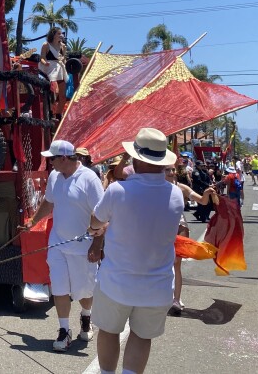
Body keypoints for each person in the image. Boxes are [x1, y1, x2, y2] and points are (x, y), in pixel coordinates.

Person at [88, 128, 184, 374]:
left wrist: (100, 228)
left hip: (117, 281)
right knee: (142, 337)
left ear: (139, 159)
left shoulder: (118, 190)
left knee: (109, 331)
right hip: (157, 283)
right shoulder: (176, 194)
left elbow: (96, 221)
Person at [29, 139, 104, 351]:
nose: (49, 163)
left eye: (52, 159)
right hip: (57, 243)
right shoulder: (55, 176)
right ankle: (64, 330)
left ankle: (86, 317)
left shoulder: (89, 179)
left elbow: (102, 215)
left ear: (64, 158)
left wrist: (96, 245)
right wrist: (32, 221)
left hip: (83, 247)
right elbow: (49, 202)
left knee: (84, 291)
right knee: (59, 286)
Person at [164, 163, 216, 315]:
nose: (171, 172)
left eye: (173, 169)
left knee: (176, 264)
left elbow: (202, 201)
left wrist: (206, 193)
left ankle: (176, 299)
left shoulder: (182, 188)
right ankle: (161, 295)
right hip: (161, 229)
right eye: (167, 170)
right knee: (161, 263)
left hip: (179, 227)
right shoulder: (156, 187)